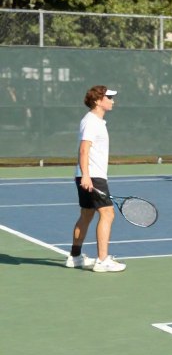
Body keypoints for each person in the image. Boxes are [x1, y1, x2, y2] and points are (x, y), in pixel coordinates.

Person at [67, 85, 125, 273]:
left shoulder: (96, 121)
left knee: (87, 215)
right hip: (92, 176)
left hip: (88, 175)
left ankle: (74, 257)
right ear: (98, 100)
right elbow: (84, 149)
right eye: (109, 97)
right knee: (108, 214)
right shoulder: (92, 121)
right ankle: (102, 260)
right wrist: (86, 175)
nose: (112, 100)